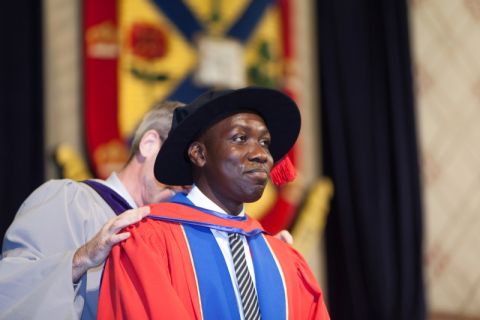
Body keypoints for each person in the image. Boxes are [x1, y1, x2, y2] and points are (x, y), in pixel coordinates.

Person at [97, 87, 330, 319]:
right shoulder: (148, 242)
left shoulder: (285, 259)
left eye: (265, 142)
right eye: (240, 138)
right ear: (199, 154)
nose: (262, 154)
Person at [0, 101, 187, 319]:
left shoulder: (169, 237)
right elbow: (11, 289)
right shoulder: (69, 200)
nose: (187, 184)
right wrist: (83, 257)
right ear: (149, 143)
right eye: (182, 165)